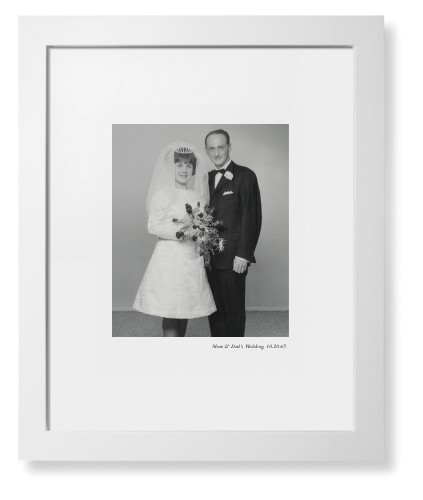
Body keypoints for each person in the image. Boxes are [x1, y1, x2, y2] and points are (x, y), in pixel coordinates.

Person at [133, 141, 216, 337]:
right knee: (171, 308)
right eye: (179, 165)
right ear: (171, 168)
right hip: (170, 260)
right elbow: (153, 226)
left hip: (191, 258)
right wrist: (184, 231)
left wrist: (202, 232)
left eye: (188, 165)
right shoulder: (162, 195)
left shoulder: (198, 197)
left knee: (184, 308)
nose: (184, 170)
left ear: (194, 169)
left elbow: (204, 226)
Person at [205, 129, 262, 337]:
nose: (216, 153)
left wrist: (244, 254)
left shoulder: (246, 176)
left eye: (221, 147)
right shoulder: (205, 179)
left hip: (234, 257)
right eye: (212, 148)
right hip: (209, 258)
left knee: (234, 311)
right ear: (206, 150)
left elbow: (252, 216)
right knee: (214, 311)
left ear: (229, 147)